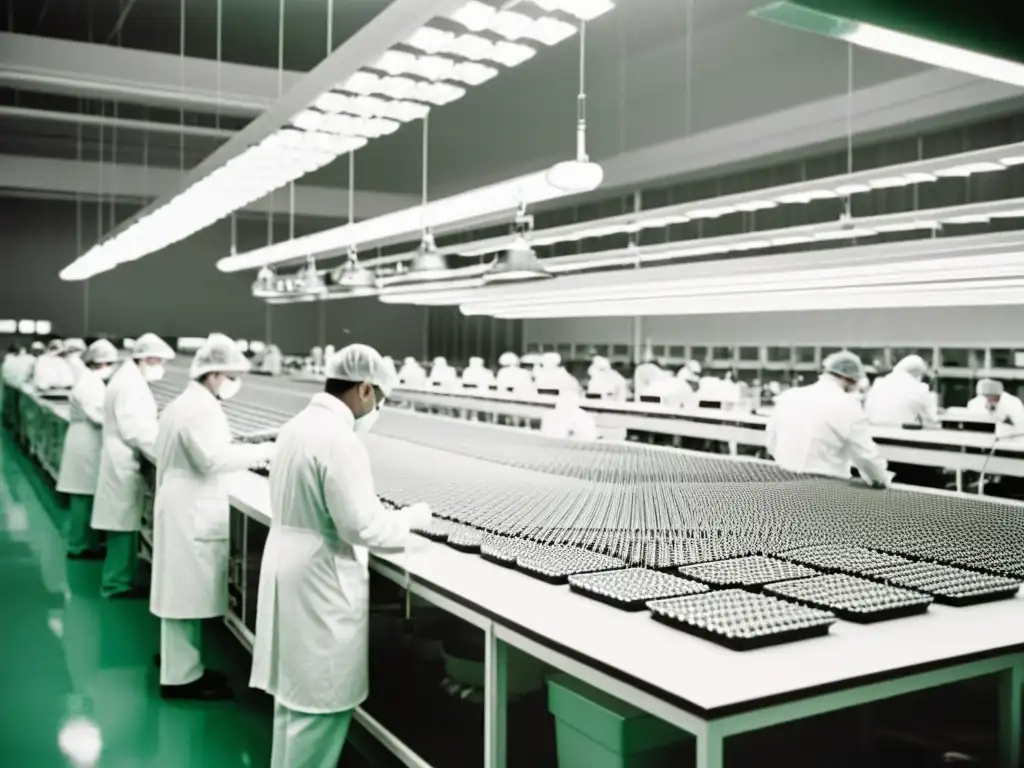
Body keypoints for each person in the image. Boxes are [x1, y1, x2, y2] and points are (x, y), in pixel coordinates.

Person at [250, 343, 432, 767]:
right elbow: (361, 526)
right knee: (319, 704)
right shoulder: (338, 439)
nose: (376, 411)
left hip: (292, 565)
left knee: (294, 700)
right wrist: (410, 518)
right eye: (380, 401)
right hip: (320, 577)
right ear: (365, 390)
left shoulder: (299, 425)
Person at [150, 334, 274, 700]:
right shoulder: (199, 409)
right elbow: (211, 459)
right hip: (191, 509)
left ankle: (181, 665)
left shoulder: (186, 404)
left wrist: (250, 445)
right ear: (215, 373)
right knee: (184, 598)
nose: (235, 384)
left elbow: (210, 449)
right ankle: (181, 679)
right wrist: (267, 452)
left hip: (182, 504)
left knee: (179, 595)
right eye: (232, 375)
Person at [92, 332, 176, 598]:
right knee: (122, 526)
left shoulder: (129, 378)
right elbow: (134, 430)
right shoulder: (131, 384)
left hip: (121, 459)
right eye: (159, 362)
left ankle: (120, 578)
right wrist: (165, 452)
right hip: (123, 462)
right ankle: (116, 584)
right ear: (147, 358)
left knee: (124, 524)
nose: (160, 368)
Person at [766, 351, 890, 487]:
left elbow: (771, 441)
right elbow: (867, 457)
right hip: (825, 490)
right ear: (851, 378)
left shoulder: (788, 396)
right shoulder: (848, 405)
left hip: (782, 484)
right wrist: (881, 479)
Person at [56, 340, 120, 560]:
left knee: (85, 496)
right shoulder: (91, 384)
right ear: (101, 363)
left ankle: (87, 544)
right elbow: (96, 415)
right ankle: (79, 547)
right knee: (83, 497)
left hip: (84, 441)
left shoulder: (90, 381)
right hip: (86, 443)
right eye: (110, 363)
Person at [864, 354, 938, 428]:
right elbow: (932, 420)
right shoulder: (919, 388)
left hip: (873, 434)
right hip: (901, 436)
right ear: (918, 374)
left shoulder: (878, 383)